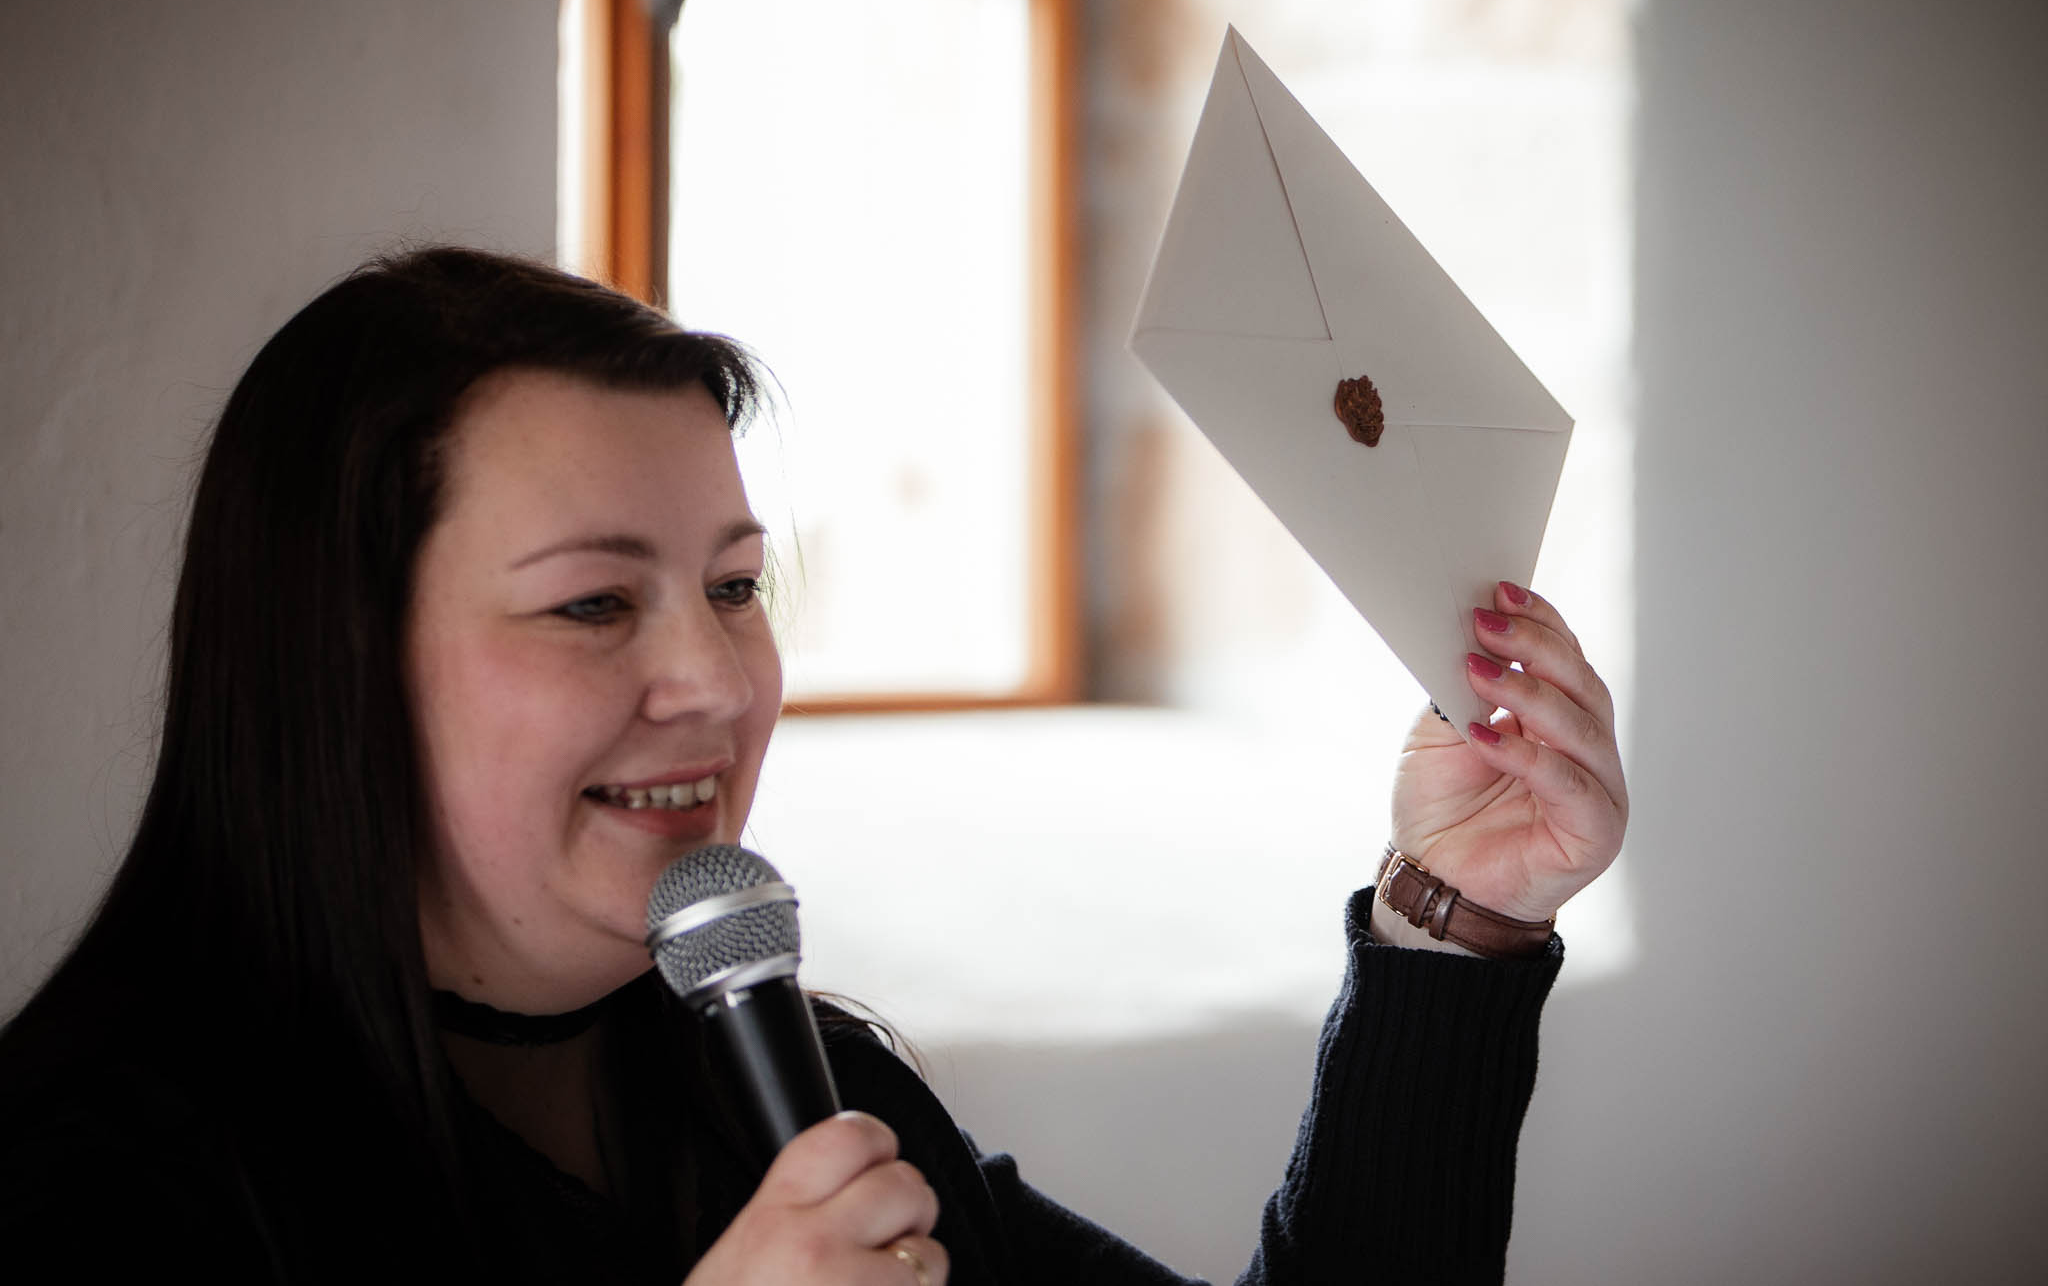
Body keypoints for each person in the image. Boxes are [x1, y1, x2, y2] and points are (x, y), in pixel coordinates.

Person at [0, 248, 1627, 1284]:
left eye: (732, 586)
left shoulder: (800, 1085)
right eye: (590, 602)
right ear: (330, 654)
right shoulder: (104, 1179)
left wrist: (1451, 933)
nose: (715, 682)